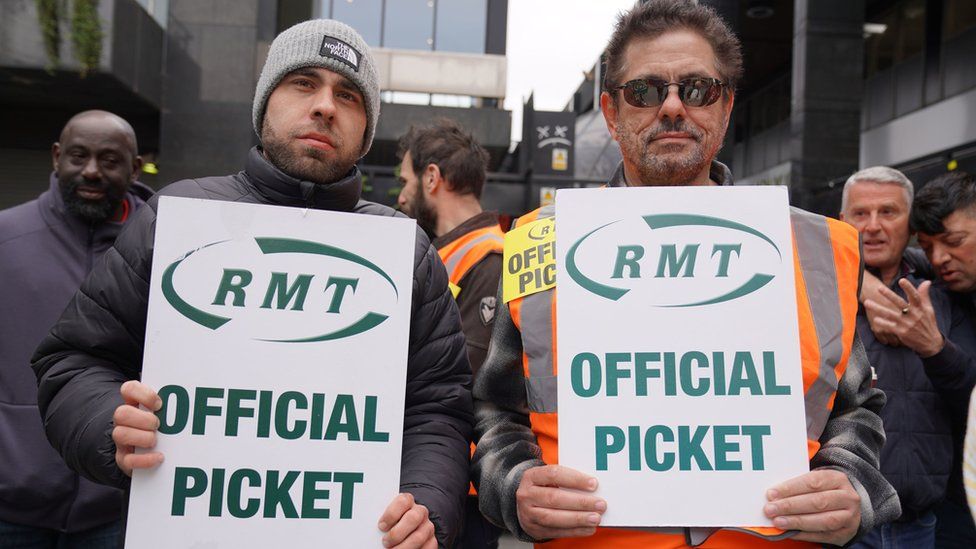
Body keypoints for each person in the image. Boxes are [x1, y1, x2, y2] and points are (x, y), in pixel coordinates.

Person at [471, 1, 899, 547]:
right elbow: (496, 410)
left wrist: (851, 485)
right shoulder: (541, 243)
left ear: (726, 107)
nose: (673, 107)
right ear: (610, 110)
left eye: (698, 89)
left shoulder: (815, 247)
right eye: (645, 92)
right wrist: (514, 487)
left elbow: (855, 408)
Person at [31, 20, 472, 549]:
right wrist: (107, 422)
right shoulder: (175, 217)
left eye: (349, 95)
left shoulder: (407, 250)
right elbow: (73, 361)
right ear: (265, 103)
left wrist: (426, 505)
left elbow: (438, 406)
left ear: (365, 131)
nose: (326, 106)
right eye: (304, 83)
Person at [0, 110, 152, 547]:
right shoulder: (6, 238)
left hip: (115, 506)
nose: (91, 171)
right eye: (78, 156)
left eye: (108, 160)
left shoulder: (168, 248)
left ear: (134, 166)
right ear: (55, 157)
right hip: (11, 505)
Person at [840, 166, 970, 548]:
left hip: (921, 523)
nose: (874, 226)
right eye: (860, 214)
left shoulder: (946, 288)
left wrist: (934, 346)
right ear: (841, 220)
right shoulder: (815, 285)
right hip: (844, 523)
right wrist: (854, 276)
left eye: (889, 212)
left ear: (910, 225)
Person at [397, 119, 504, 548]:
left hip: (465, 497)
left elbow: (467, 388)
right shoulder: (445, 254)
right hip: (438, 483)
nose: (402, 196)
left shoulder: (489, 258)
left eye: (405, 182)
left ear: (432, 177)